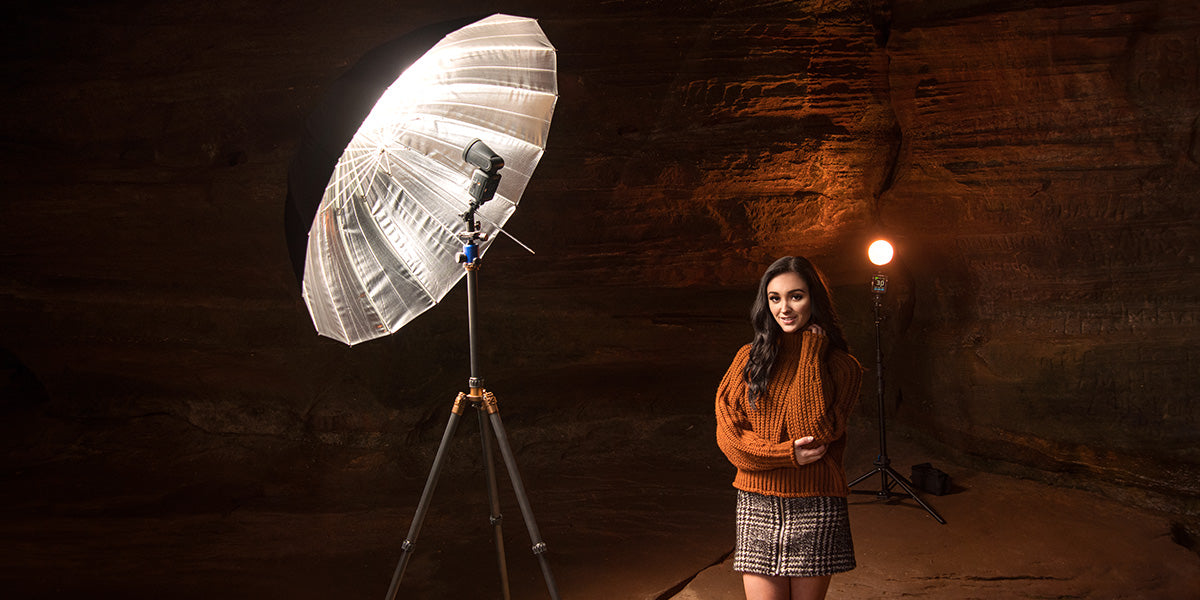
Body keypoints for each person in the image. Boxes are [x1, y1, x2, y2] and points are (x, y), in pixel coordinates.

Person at [715, 256, 864, 600]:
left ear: (815, 299)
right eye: (775, 298)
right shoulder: (747, 359)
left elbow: (815, 431)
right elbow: (730, 439)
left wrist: (811, 353)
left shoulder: (842, 367)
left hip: (816, 503)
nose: (784, 308)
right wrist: (785, 454)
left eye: (796, 296)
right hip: (757, 500)